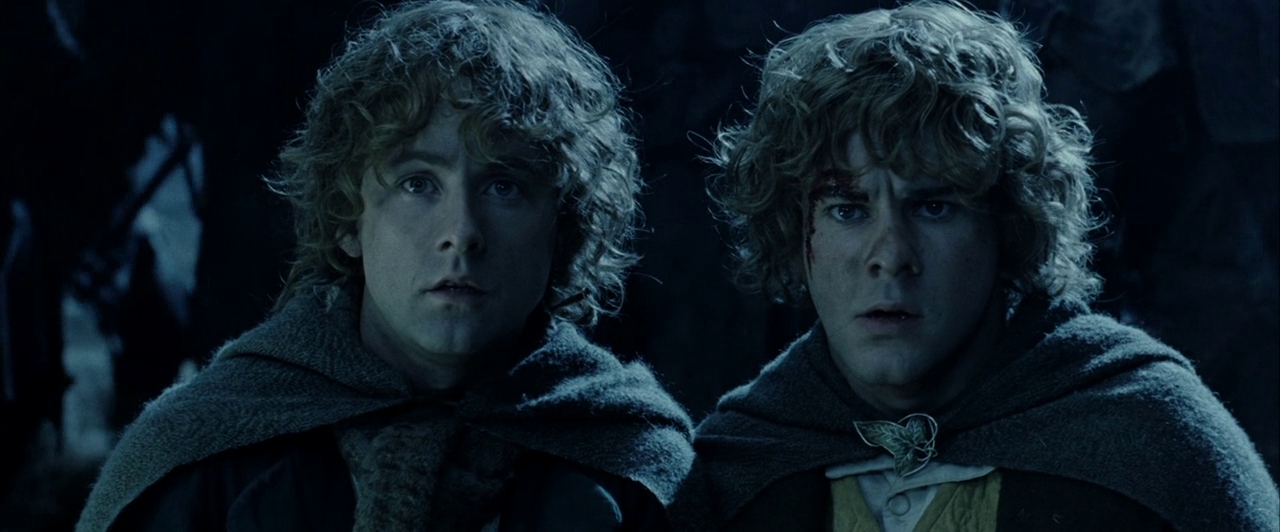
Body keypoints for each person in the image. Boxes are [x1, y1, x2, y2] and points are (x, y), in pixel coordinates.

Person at [76, 1, 694, 530]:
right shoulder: (206, 457)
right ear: (350, 219)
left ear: (561, 227)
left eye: (504, 187)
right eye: (418, 184)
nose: (461, 233)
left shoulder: (632, 465)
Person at [670, 1, 1279, 530]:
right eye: (848, 210)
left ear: (1006, 225)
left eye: (933, 206)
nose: (891, 256)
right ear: (796, 231)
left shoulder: (1148, 434)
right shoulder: (742, 461)